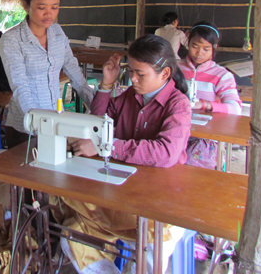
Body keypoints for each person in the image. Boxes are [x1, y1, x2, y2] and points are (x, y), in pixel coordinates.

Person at [63, 35, 192, 271]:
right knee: (72, 235)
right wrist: (106, 84)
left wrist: (106, 146)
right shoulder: (129, 96)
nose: (132, 78)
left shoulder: (178, 104)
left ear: (164, 74)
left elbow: (166, 153)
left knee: (150, 250)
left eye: (140, 73)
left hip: (160, 201)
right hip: (123, 193)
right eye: (130, 71)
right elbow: (98, 123)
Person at [0, 0, 94, 147]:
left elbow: (74, 71)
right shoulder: (12, 39)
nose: (49, 13)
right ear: (26, 5)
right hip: (26, 129)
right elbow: (20, 86)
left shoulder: (57, 32)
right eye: (41, 7)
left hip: (57, 121)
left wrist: (96, 104)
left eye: (54, 7)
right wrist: (37, 123)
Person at [178, 21, 241, 169]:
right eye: (195, 46)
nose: (200, 53)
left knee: (190, 167)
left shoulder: (222, 75)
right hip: (177, 129)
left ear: (214, 48)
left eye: (206, 49)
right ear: (187, 43)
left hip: (205, 136)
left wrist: (204, 104)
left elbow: (235, 108)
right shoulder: (175, 68)